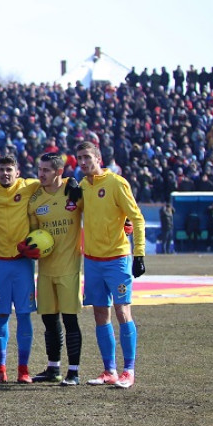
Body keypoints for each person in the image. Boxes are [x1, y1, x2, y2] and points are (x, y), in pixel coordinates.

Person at [0, 156, 52, 383]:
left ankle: (23, 369)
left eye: (9, 170)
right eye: (1, 170)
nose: (5, 174)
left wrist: (74, 184)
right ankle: (0, 369)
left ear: (17, 172)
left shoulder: (29, 186)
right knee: (0, 317)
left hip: (22, 264)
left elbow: (54, 182)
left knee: (23, 315)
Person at [75, 141, 146, 389]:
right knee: (100, 314)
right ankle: (109, 370)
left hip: (117, 259)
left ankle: (129, 370)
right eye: (79, 159)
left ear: (98, 158)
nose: (83, 162)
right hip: (92, 261)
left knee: (122, 311)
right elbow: (73, 212)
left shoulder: (116, 183)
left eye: (87, 157)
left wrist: (139, 254)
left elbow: (136, 218)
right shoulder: (82, 186)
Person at [27, 153, 84, 385]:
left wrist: (127, 225)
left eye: (47, 170)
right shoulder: (35, 200)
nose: (41, 174)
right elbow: (32, 235)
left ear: (59, 172)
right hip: (45, 269)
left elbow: (98, 212)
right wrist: (28, 246)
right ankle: (53, 368)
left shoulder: (74, 194)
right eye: (40, 169)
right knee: (49, 321)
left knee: (70, 321)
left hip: (69, 268)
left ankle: (74, 371)